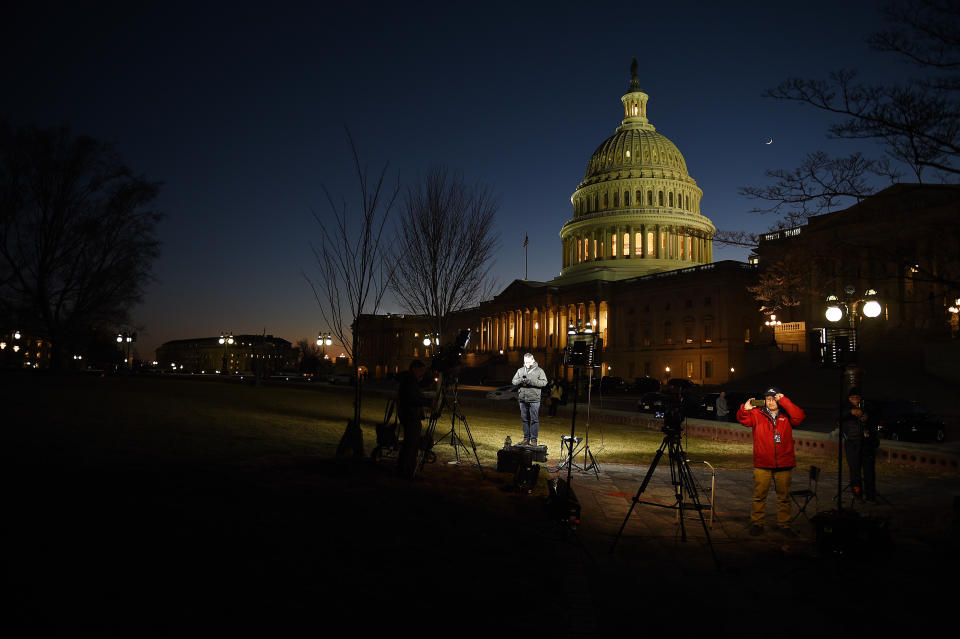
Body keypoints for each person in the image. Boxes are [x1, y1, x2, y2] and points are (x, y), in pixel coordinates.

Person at [737, 387, 806, 536]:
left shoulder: (787, 414)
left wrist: (785, 401)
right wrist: (745, 408)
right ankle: (757, 523)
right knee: (759, 495)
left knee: (784, 497)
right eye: (767, 398)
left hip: (784, 463)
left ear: (779, 399)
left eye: (773, 398)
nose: (770, 401)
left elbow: (799, 417)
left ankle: (784, 525)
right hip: (763, 463)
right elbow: (743, 420)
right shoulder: (757, 414)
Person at [838, 387, 879, 502]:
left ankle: (871, 495)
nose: (855, 400)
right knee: (855, 470)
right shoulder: (845, 407)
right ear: (849, 399)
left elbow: (877, 418)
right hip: (852, 444)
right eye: (852, 398)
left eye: (857, 398)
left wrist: (868, 417)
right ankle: (857, 494)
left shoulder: (867, 406)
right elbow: (837, 416)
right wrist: (851, 411)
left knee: (869, 471)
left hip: (867, 443)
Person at [396, 360, 434, 478]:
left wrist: (431, 375)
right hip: (410, 416)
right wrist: (428, 402)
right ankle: (407, 471)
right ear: (414, 369)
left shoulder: (410, 380)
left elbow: (421, 386)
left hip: (410, 415)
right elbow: (413, 398)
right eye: (421, 370)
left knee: (409, 444)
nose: (422, 373)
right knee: (411, 444)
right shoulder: (409, 381)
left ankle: (404, 468)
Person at [512, 353, 548, 446]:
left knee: (534, 420)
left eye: (528, 362)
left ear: (533, 360)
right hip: (522, 399)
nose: (527, 364)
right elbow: (513, 381)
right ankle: (526, 439)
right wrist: (520, 380)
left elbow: (544, 383)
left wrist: (531, 382)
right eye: (525, 362)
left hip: (534, 399)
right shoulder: (520, 370)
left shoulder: (539, 371)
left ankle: (534, 440)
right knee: (524, 419)